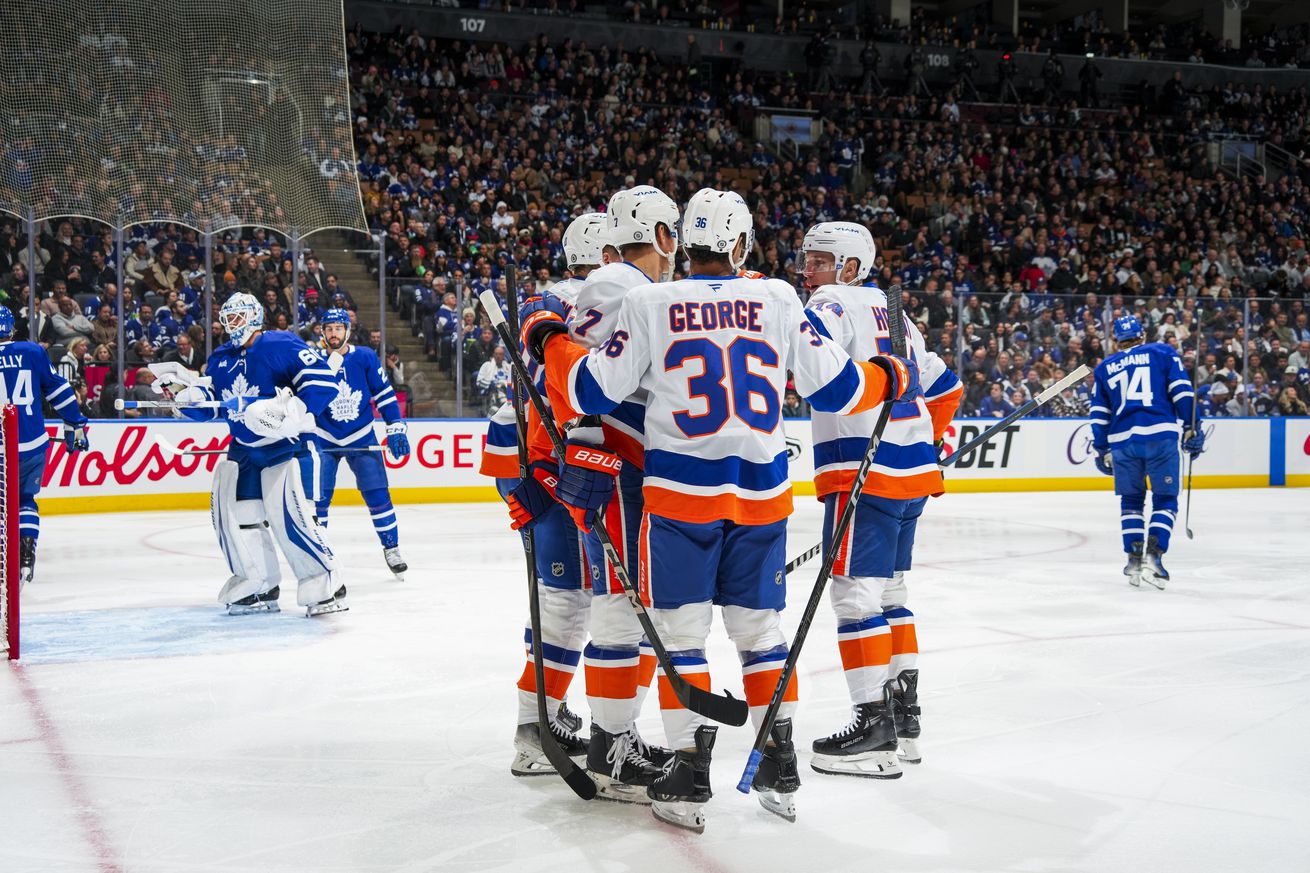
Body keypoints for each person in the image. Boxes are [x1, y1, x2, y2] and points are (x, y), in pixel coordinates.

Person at [523, 187, 917, 832]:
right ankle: (779, 760)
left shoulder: (651, 301)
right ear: (740, 245)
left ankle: (689, 771)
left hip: (679, 498)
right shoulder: (780, 297)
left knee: (681, 636)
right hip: (762, 496)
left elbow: (588, 389)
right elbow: (845, 389)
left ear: (681, 240)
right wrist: (891, 377)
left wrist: (546, 337)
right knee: (761, 635)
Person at [801, 222, 962, 778]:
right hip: (911, 473)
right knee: (891, 592)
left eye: (818, 261)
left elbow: (807, 372)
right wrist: (928, 440)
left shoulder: (829, 303)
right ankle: (903, 717)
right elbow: (947, 388)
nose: (807, 271)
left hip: (863, 474)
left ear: (848, 267)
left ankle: (871, 727)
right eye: (806, 260)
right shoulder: (898, 315)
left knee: (854, 598)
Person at [151, 292, 348, 616]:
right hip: (243, 450)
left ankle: (325, 581)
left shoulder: (280, 344)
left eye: (239, 317)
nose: (232, 324)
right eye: (228, 318)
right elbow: (213, 405)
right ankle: (259, 583)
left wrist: (293, 411)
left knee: (290, 517)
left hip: (282, 446)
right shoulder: (220, 357)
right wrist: (185, 396)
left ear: (254, 317)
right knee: (240, 520)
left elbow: (322, 383)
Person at [1090, 315, 1204, 589]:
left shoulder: (1105, 367)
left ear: (1116, 339)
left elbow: (1098, 414)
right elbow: (1182, 391)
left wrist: (1101, 447)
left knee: (1131, 501)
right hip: (1159, 435)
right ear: (1142, 335)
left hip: (1122, 442)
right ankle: (1154, 556)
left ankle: (1133, 560)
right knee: (1165, 499)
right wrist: (1192, 426)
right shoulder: (1162, 352)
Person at [306, 309, 411, 578]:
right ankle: (319, 552)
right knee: (318, 499)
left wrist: (396, 427)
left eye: (338, 328)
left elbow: (384, 394)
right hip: (324, 436)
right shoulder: (313, 360)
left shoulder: (364, 356)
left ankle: (392, 549)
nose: (333, 333)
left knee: (377, 493)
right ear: (322, 332)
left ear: (347, 331)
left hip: (361, 435)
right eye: (328, 328)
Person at [0, 305, 89, 587]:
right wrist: (75, 423)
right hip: (33, 445)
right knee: (25, 500)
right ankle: (26, 557)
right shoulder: (32, 351)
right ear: (12, 328)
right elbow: (59, 388)